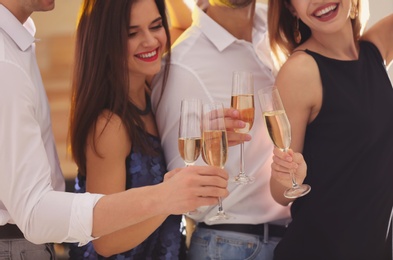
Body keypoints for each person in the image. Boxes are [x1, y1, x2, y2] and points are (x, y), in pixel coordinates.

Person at [0, 0, 229, 258]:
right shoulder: (110, 126)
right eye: (132, 33)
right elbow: (106, 244)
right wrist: (169, 200)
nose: (150, 40)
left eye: (156, 26)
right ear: (107, 42)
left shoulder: (151, 88)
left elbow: (186, 26)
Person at [151, 0, 291, 259]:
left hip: (293, 239)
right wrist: (208, 153)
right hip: (231, 246)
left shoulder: (281, 29)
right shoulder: (182, 67)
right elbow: (186, 202)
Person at [267, 0, 393, 259]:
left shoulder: (374, 49)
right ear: (291, 8)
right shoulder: (300, 70)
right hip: (317, 250)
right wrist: (291, 175)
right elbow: (280, 193)